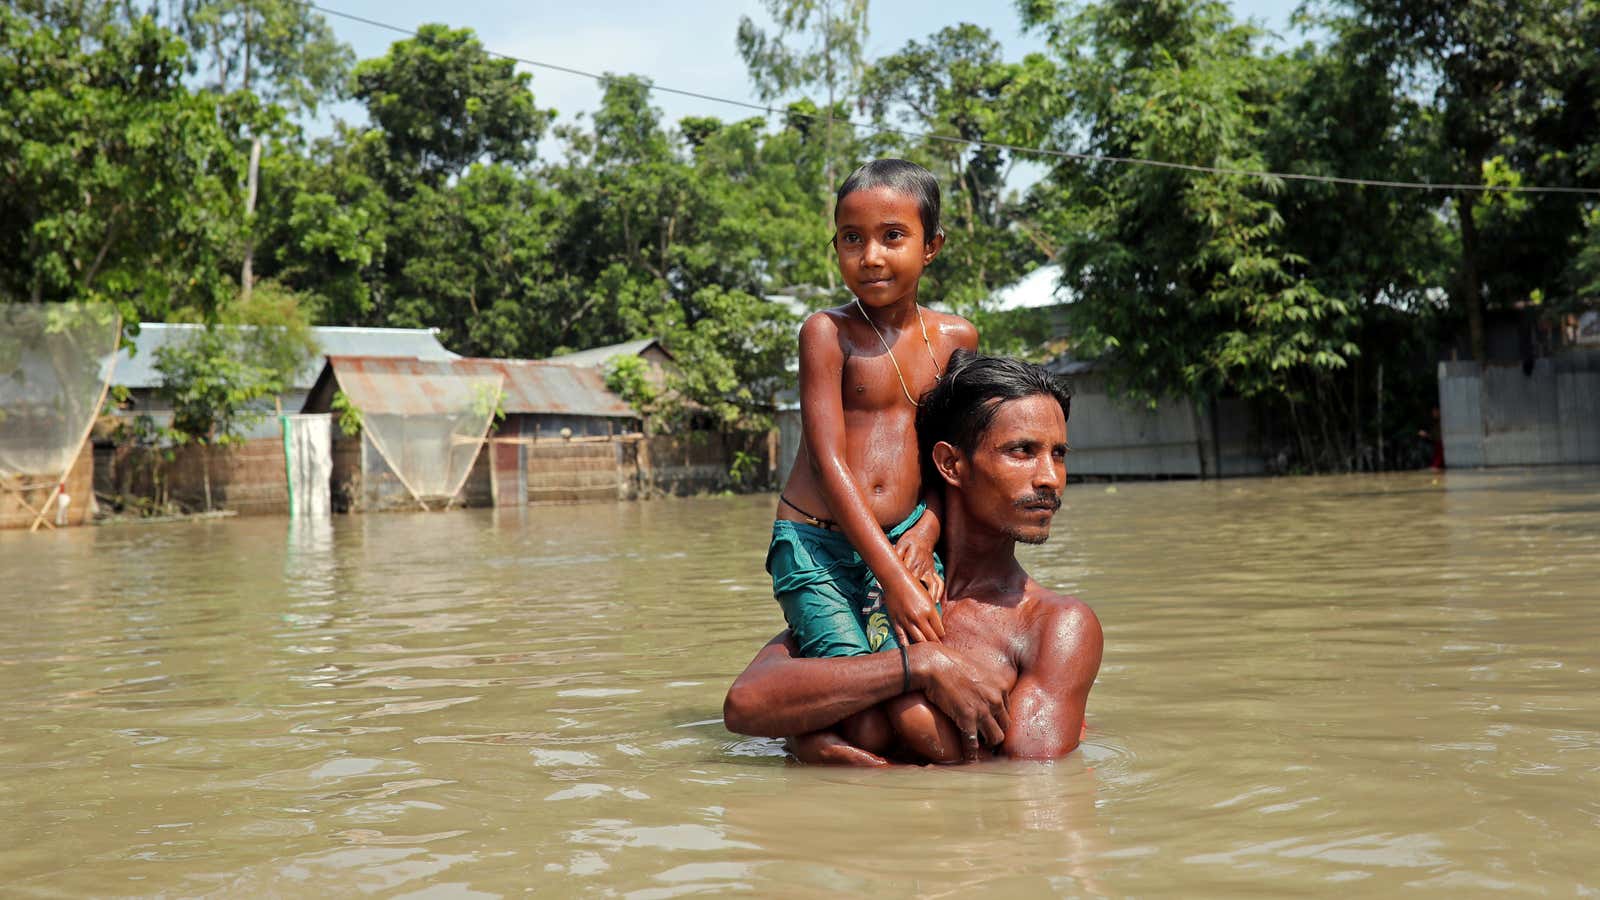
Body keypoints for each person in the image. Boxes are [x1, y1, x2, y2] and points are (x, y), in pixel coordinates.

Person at [728, 352, 1103, 765]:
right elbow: (746, 705)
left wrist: (820, 748)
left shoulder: (1055, 625)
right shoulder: (879, 586)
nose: (1050, 476)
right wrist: (918, 666)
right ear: (951, 465)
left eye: (1059, 454)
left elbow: (1023, 792)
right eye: (1022, 451)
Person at [769, 158, 979, 764]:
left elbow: (953, 459)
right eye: (851, 239)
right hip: (818, 542)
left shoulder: (956, 339)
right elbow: (829, 463)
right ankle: (802, 734)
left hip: (908, 540)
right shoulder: (825, 333)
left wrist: (929, 527)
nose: (871, 256)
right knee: (864, 722)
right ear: (834, 245)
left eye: (893, 236)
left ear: (932, 246)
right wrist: (892, 580)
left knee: (919, 720)